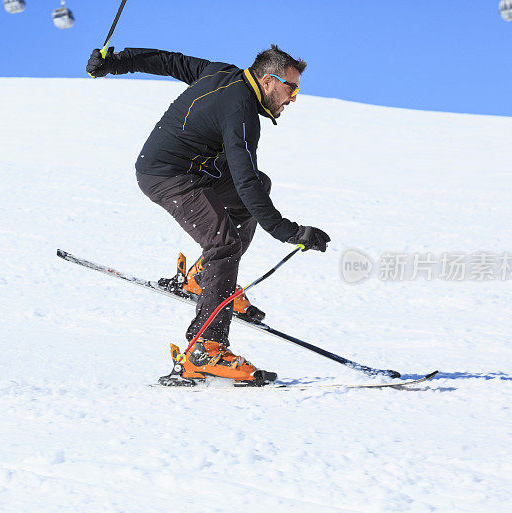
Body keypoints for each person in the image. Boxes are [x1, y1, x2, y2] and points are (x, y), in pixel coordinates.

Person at [86, 45, 330, 386]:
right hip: (166, 175)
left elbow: (169, 62)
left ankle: (203, 280)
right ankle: (206, 348)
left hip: (196, 170)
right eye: (292, 88)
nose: (294, 98)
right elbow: (243, 180)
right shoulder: (241, 110)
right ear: (268, 80)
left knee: (260, 186)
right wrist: (289, 232)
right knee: (224, 243)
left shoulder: (221, 72)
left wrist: (115, 62)